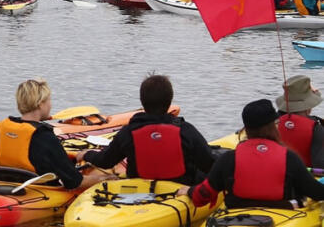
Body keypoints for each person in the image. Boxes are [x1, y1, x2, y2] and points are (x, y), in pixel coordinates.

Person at [183, 99, 324, 210]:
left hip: (236, 216)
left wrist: (190, 191)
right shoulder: (289, 157)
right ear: (274, 126)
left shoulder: (228, 159)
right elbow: (317, 193)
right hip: (281, 214)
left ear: (246, 129)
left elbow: (201, 197)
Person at [76, 74, 215, 186]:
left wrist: (87, 154)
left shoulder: (128, 132)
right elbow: (209, 163)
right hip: (180, 186)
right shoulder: (186, 130)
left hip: (139, 187)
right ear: (169, 101)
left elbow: (105, 161)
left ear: (142, 101)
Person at [0, 79, 108, 188]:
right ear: (40, 104)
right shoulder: (45, 137)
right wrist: (104, 178)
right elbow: (75, 182)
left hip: (1, 189)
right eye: (48, 100)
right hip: (38, 194)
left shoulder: (1, 129)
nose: (50, 105)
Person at [275, 75, 324, 168]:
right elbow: (319, 164)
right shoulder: (317, 129)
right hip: (306, 178)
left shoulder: (271, 125)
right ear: (309, 108)